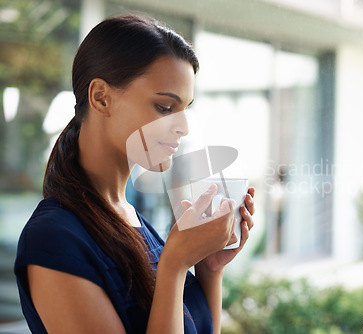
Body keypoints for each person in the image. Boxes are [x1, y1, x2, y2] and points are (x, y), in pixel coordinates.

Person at [14, 15, 256, 334]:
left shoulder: (133, 221)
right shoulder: (55, 239)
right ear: (101, 97)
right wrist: (174, 265)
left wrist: (209, 269)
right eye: (165, 108)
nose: (183, 126)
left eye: (186, 109)